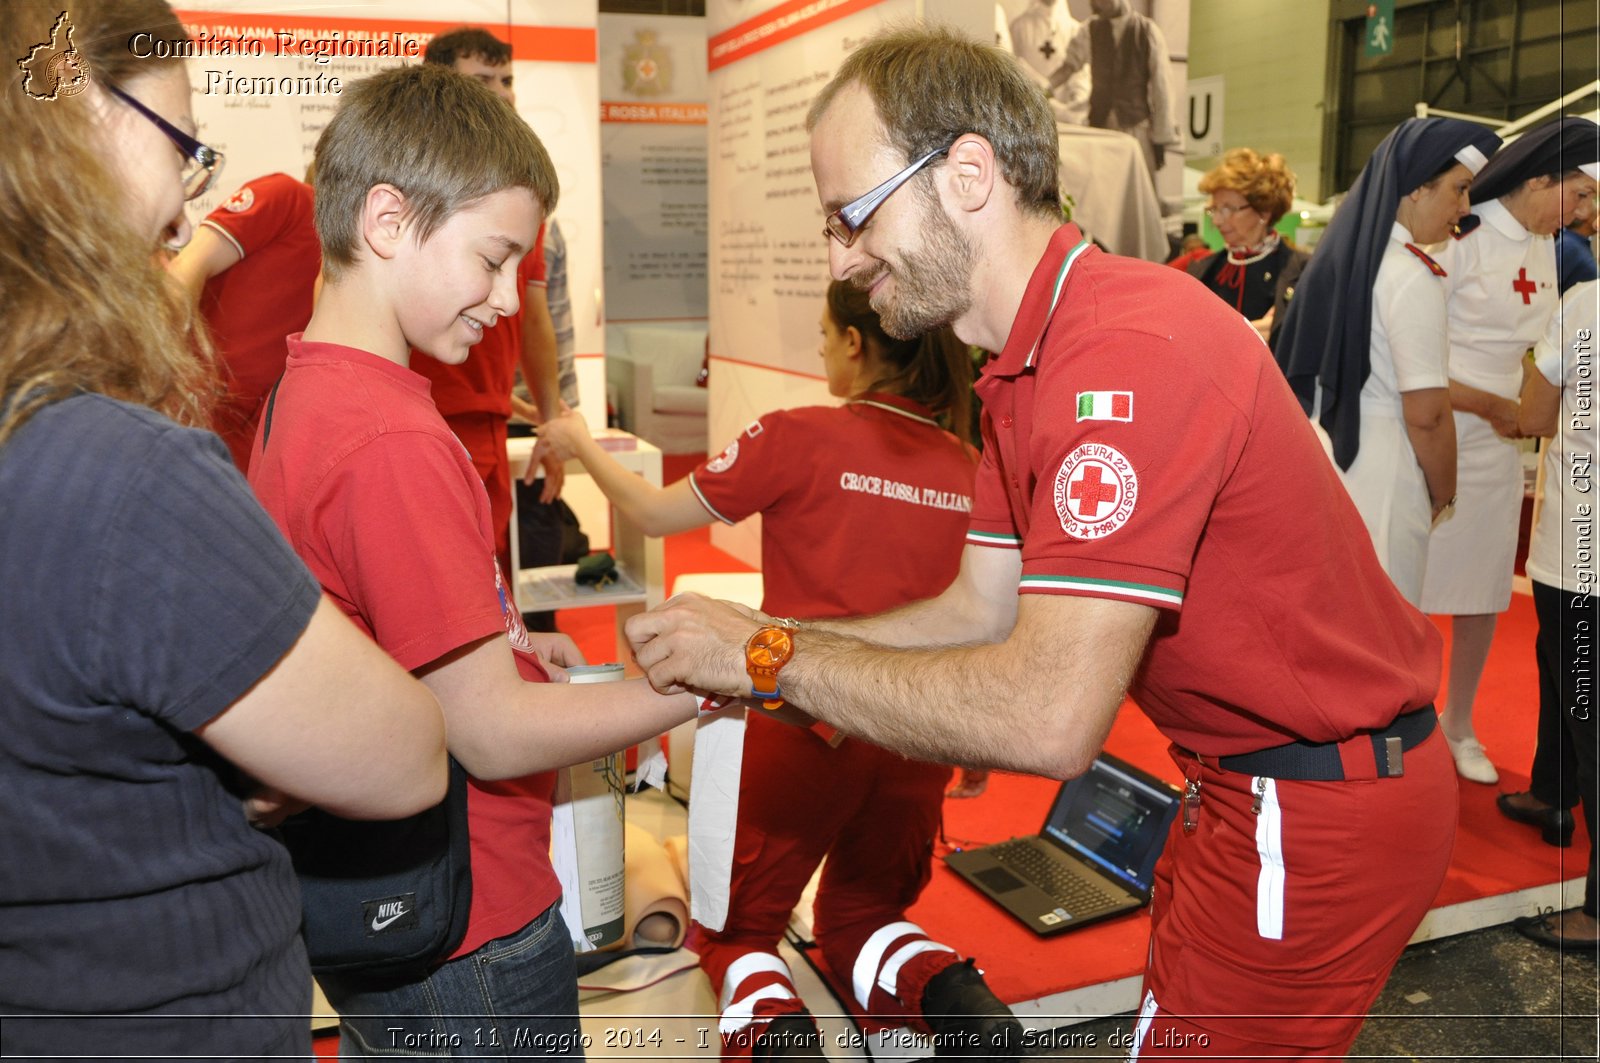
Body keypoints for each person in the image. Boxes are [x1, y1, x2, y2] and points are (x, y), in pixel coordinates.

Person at [624, 24, 1456, 1059]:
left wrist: (769, 657)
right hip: (1248, 793)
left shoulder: (1121, 355)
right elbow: (978, 609)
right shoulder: (1023, 366)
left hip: (1310, 811)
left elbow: (1048, 716)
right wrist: (763, 630)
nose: (842, 258)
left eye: (851, 217)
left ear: (966, 173)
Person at [0, 2, 447, 1056]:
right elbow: (401, 756)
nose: (182, 202)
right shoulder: (117, 475)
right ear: (82, 124)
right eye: (183, 145)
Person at [246, 62, 705, 1058]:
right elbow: (490, 733)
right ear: (386, 220)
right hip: (472, 926)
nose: (507, 300)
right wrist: (702, 688)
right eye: (493, 259)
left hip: (399, 912)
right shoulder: (389, 440)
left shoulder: (308, 392)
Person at [536, 280, 1018, 1060]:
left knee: (736, 930)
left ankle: (780, 1039)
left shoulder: (796, 435)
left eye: (827, 335)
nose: (823, 349)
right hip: (918, 734)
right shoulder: (971, 465)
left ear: (857, 345)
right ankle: (970, 1015)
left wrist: (581, 440)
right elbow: (987, 618)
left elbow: (655, 513)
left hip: (797, 726)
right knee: (867, 913)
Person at [1417, 116, 1600, 785]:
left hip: (1501, 441)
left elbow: (1540, 352)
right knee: (1408, 582)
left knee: (1483, 590)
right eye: (1576, 194)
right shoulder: (1460, 235)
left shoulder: (1545, 250)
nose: (1582, 213)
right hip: (1439, 421)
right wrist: (1500, 408)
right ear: (1539, 179)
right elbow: (1417, 346)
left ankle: (1458, 720)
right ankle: (1403, 714)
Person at [1275, 118, 1503, 605]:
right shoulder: (1411, 276)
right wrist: (1445, 492)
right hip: (1384, 474)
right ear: (1418, 187)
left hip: (1323, 463)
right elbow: (1428, 415)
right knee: (1386, 638)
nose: (1464, 208)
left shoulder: (1335, 263)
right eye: (1459, 189)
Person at [413, 25, 565, 581]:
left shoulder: (522, 194)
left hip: (489, 416)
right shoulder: (411, 183)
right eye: (483, 79)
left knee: (483, 576)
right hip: (422, 407)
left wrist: (551, 420)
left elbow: (533, 314)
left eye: (507, 79)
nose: (502, 92)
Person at [1500, 279, 1599, 950]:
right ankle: (1549, 788)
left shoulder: (1586, 303)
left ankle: (1598, 911)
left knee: (1588, 707)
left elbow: (1535, 415)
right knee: (1556, 667)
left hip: (1581, 551)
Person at [166, 170, 319, 471]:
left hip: (253, 462)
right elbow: (186, 272)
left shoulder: (375, 261)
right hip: (191, 424)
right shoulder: (289, 199)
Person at [1045, 0, 1178, 188]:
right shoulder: (1090, 29)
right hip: (1102, 128)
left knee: (1139, 187)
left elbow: (1162, 88)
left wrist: (1160, 138)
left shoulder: (1147, 31)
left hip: (1136, 127)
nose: (1098, 5)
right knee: (1105, 189)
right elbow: (1068, 67)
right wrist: (1043, 89)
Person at [1188, 148, 1310, 348]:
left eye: (1228, 209)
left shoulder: (1304, 272)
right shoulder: (1201, 271)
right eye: (1214, 209)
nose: (1217, 220)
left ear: (1264, 211)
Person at [1009, 0, 1088, 126]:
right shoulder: (1019, 26)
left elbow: (1080, 75)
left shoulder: (1075, 29)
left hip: (1066, 117)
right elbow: (1014, 70)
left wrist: (1076, 100)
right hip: (1031, 114)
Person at [1556, 208, 1598, 294]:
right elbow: (1549, 285)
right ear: (1582, 216)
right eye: (1598, 213)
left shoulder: (1579, 244)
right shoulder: (1568, 245)